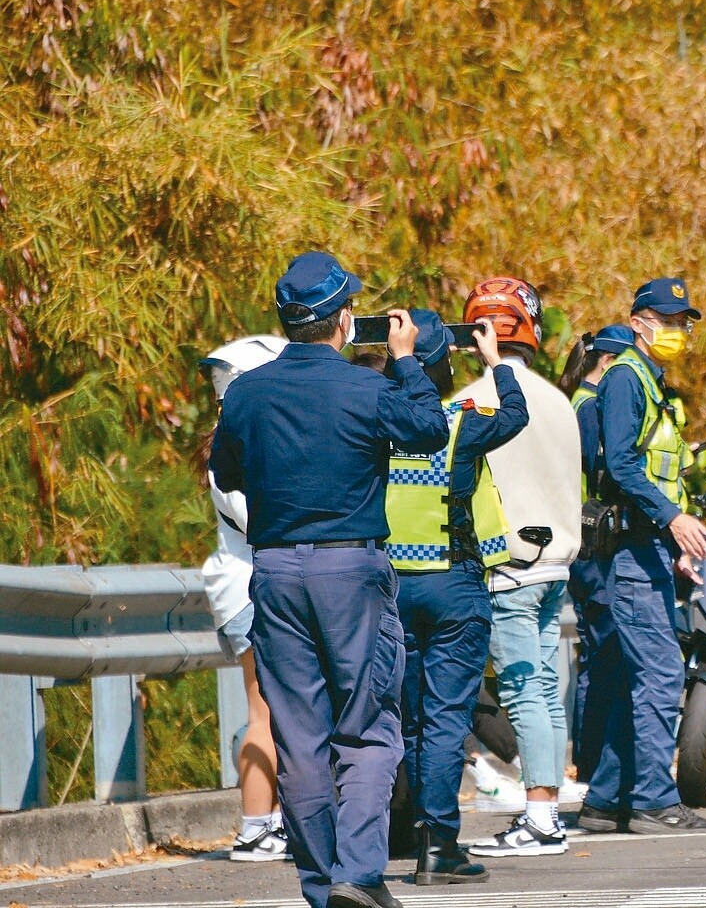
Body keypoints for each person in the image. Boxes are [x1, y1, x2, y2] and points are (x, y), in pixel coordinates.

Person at [209, 251, 448, 908]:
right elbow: (428, 430)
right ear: (346, 319)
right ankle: (359, 874)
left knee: (298, 733)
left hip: (276, 568)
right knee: (368, 725)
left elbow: (226, 473)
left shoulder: (247, 392)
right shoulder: (368, 388)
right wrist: (406, 360)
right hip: (351, 567)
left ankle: (320, 885)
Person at [385, 310, 528, 884]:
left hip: (392, 588)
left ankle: (414, 833)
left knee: (413, 721)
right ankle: (439, 846)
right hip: (453, 586)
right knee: (446, 719)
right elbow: (517, 413)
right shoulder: (459, 422)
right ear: (444, 366)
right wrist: (496, 362)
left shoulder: (374, 423)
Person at [578, 277, 706, 835]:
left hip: (649, 547)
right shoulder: (626, 379)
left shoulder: (649, 381)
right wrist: (672, 520)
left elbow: (658, 468)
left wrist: (675, 538)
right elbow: (624, 469)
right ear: (640, 322)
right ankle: (654, 801)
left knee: (627, 673)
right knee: (659, 676)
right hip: (633, 549)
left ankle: (606, 798)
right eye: (671, 319)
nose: (681, 330)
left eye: (685, 322)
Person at [456, 277, 587, 857]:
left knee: (521, 689)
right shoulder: (559, 398)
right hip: (557, 563)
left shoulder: (467, 402)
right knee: (544, 690)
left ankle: (538, 818)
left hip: (508, 565)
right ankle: (549, 811)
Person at [199, 335, 292, 864]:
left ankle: (269, 821)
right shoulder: (233, 449)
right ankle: (255, 827)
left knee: (272, 712)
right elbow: (261, 524)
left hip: (248, 587)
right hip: (250, 589)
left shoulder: (234, 438)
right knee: (263, 714)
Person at [559, 323, 636, 782]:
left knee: (596, 653)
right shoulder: (589, 408)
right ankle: (592, 765)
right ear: (606, 362)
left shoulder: (577, 403)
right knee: (603, 654)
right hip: (594, 546)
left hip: (585, 544)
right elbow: (598, 472)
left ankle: (591, 762)